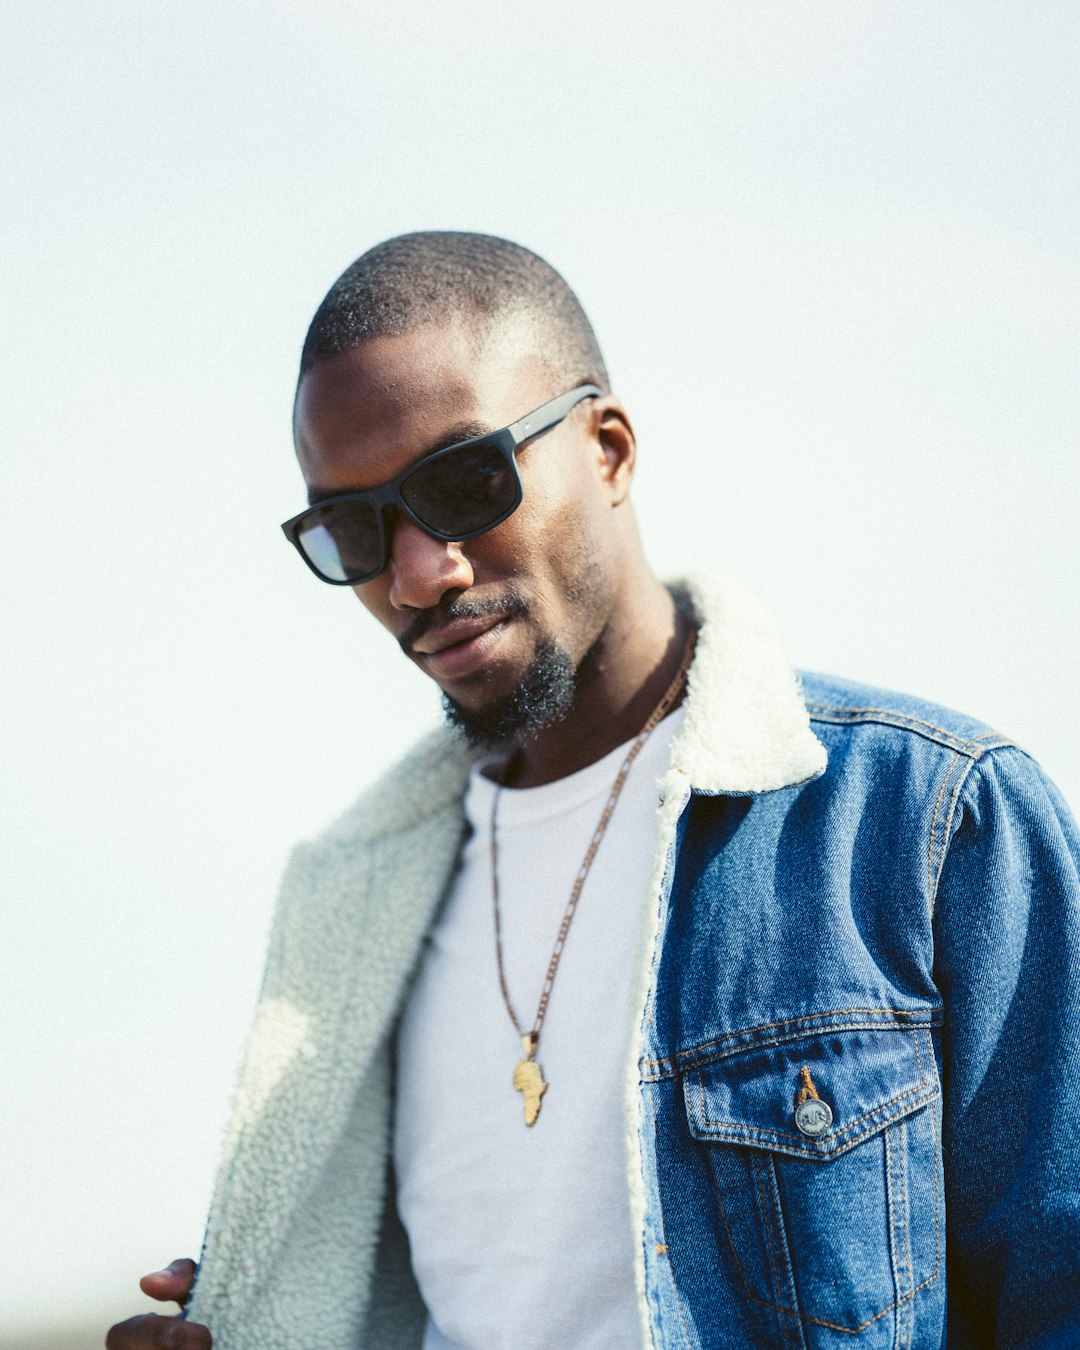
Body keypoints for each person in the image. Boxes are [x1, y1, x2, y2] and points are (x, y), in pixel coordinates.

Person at [107, 232, 1080, 1350]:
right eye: (355, 529)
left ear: (609, 449)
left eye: (465, 482)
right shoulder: (354, 909)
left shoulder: (930, 819)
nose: (419, 572)